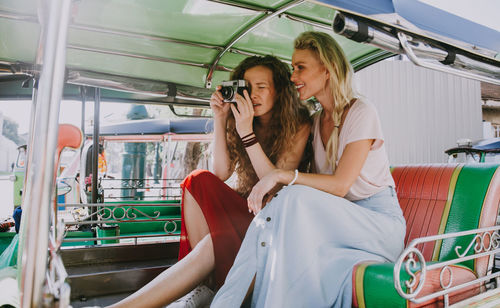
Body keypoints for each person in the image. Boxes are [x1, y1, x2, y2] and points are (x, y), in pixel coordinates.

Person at [211, 31, 407, 307]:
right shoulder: (315, 123)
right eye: (293, 68)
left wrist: (283, 175)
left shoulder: (362, 111)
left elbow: (340, 186)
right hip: (336, 224)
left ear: (327, 70)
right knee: (276, 218)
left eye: (300, 67)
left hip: (376, 226)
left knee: (290, 197)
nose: (292, 77)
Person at [107, 55, 311, 308]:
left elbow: (275, 184)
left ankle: (194, 286)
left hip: (272, 217)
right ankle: (205, 282)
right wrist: (220, 118)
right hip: (246, 209)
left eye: (262, 87)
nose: (253, 94)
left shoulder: (299, 124)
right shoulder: (244, 120)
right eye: (248, 87)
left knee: (214, 241)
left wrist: (246, 132)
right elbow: (221, 172)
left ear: (279, 91)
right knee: (197, 179)